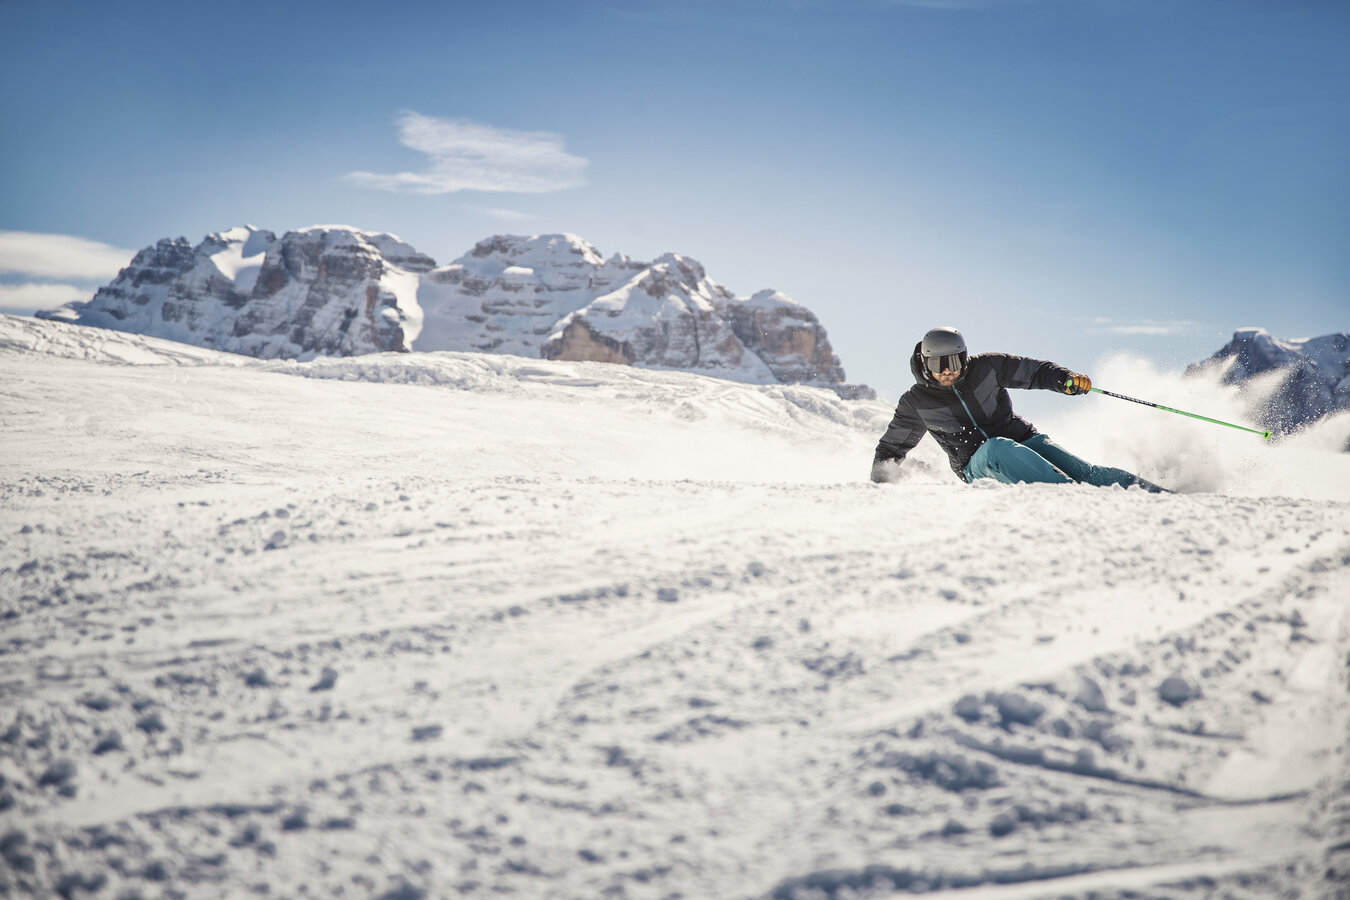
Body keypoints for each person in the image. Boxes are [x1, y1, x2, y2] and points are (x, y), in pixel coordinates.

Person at [871, 327, 1168, 492]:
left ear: (964, 357)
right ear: (925, 363)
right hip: (977, 464)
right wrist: (879, 486)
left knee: (1086, 472)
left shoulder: (987, 367)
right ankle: (1074, 498)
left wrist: (1064, 380)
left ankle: (1160, 497)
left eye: (955, 362)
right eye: (938, 364)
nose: (947, 372)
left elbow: (1035, 371)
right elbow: (892, 447)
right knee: (997, 448)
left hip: (1024, 440)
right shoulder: (916, 402)